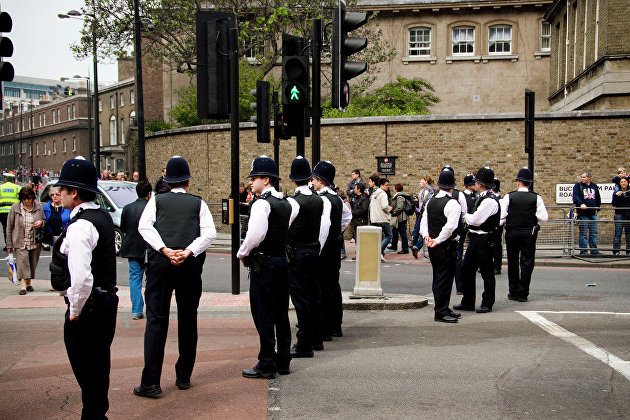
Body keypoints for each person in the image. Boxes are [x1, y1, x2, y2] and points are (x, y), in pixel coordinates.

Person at [134, 156, 216, 397]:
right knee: (188, 319)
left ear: (167, 182)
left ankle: (151, 382)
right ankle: (183, 376)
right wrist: (188, 251)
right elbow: (209, 233)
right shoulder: (198, 203)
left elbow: (144, 227)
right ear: (188, 181)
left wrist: (164, 249)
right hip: (189, 264)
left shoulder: (156, 201)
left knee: (156, 320)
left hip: (161, 263)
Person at [52, 157, 118, 419]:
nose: (59, 194)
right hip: (105, 302)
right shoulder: (101, 216)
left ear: (74, 193)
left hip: (89, 308)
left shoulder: (81, 225)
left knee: (88, 371)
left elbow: (81, 277)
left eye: (63, 189)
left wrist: (75, 309)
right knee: (98, 367)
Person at [237, 156, 292, 379]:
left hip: (265, 263)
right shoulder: (286, 203)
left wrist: (242, 253)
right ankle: (284, 359)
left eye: (255, 178)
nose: (251, 182)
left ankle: (266, 362)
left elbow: (255, 236)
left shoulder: (261, 204)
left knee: (263, 314)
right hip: (281, 261)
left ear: (266, 180)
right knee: (281, 313)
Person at [286, 156, 328, 358]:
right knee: (314, 296)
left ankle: (303, 343)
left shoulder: (293, 202)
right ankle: (316, 338)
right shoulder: (319, 200)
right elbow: (322, 228)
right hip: (314, 250)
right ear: (310, 177)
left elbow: (286, 229)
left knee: (301, 299)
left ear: (293, 178)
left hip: (298, 253)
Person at [312, 161, 352, 341]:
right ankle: (336, 325)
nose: (312, 182)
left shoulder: (321, 199)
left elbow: (322, 227)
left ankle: (324, 326)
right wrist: (339, 231)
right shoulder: (337, 198)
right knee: (333, 285)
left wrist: (317, 246)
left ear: (320, 180)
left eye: (314, 179)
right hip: (335, 247)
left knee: (321, 286)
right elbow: (347, 216)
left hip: (323, 248)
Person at [454, 167, 500, 314]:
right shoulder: (482, 197)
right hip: (475, 239)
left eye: (477, 181)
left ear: (481, 184)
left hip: (484, 239)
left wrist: (465, 216)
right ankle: (468, 301)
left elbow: (475, 220)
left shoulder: (489, 201)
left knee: (486, 272)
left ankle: (487, 302)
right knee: (466, 269)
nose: (475, 184)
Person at [500, 168, 548, 302]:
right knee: (527, 262)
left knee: (513, 262)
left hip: (512, 232)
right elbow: (544, 217)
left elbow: (502, 215)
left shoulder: (509, 196)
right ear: (530, 183)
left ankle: (513, 291)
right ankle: (523, 293)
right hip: (529, 232)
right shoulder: (536, 197)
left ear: (518, 182)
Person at [420, 169, 462, 323]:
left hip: (433, 245)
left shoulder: (431, 201)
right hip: (445, 245)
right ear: (452, 187)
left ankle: (442, 307)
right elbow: (450, 227)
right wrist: (437, 240)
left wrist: (427, 237)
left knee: (438, 277)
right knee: (445, 278)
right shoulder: (453, 203)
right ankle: (441, 311)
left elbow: (424, 221)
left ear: (438, 186)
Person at [119, 180, 152, 320]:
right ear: (149, 194)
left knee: (134, 280)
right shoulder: (152, 208)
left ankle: (136, 310)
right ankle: (152, 309)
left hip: (132, 248)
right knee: (151, 281)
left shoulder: (127, 208)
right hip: (149, 249)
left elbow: (123, 228)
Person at [6, 186, 45, 295]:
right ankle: (23, 285)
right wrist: (9, 244)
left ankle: (28, 283)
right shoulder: (15, 208)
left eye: (29, 198)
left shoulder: (38, 207)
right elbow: (9, 227)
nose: (27, 201)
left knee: (32, 263)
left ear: (33, 198)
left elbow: (44, 220)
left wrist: (41, 222)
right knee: (22, 262)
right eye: (24, 199)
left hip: (34, 240)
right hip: (20, 240)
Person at [572, 171, 601, 255]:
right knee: (583, 234)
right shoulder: (578, 186)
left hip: (593, 214)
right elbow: (575, 196)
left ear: (589, 178)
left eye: (584, 177)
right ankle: (584, 251)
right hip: (583, 214)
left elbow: (598, 198)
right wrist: (581, 203)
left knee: (594, 233)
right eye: (581, 177)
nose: (582, 178)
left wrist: (597, 209)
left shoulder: (594, 186)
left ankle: (594, 251)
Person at [411, 176, 436, 259]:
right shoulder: (427, 190)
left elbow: (426, 202)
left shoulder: (427, 190)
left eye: (421, 181)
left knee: (424, 231)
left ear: (426, 181)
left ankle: (416, 245)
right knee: (419, 230)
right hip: (423, 212)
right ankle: (415, 245)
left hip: (425, 213)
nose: (419, 183)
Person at [369, 177, 392, 261]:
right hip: (382, 218)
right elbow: (384, 206)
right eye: (386, 185)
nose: (388, 187)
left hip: (374, 218)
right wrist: (390, 209)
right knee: (389, 235)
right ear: (381, 185)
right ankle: (379, 252)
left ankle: (377, 253)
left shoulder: (374, 194)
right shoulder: (383, 194)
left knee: (376, 238)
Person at [0, 172, 21, 249]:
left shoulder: (0, 187)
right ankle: (16, 244)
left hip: (2, 211)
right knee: (16, 228)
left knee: (6, 228)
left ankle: (8, 245)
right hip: (15, 211)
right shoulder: (17, 187)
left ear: (5, 179)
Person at [389, 183, 412, 254]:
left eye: (394, 188)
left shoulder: (400, 197)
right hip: (399, 217)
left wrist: (393, 212)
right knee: (395, 231)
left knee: (402, 233)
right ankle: (394, 245)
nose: (393, 190)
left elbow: (400, 207)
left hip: (401, 218)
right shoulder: (400, 196)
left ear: (396, 189)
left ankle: (405, 249)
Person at [346, 181, 369, 248]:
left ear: (359, 189)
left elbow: (363, 210)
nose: (354, 189)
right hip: (355, 221)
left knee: (361, 239)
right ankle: (358, 254)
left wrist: (352, 212)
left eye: (355, 188)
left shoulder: (364, 199)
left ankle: (361, 254)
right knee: (356, 239)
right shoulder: (356, 197)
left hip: (361, 221)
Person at [612, 176, 630, 255]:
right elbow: (613, 203)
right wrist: (617, 196)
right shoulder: (616, 192)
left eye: (624, 182)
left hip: (628, 215)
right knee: (618, 234)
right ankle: (616, 251)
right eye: (622, 182)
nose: (623, 183)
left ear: (627, 183)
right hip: (619, 215)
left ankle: (628, 251)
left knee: (629, 234)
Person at [491, 178, 503, 275]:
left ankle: (497, 266)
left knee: (497, 247)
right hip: (492, 226)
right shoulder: (494, 198)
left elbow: (503, 216)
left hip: (496, 227)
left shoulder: (500, 200)